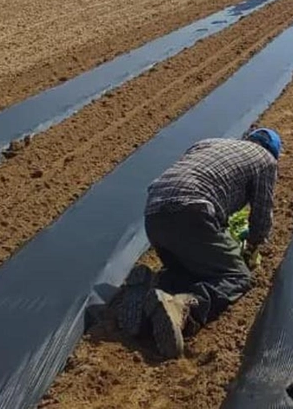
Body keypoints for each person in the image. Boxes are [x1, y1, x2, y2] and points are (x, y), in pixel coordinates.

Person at [114, 128, 281, 359]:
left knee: (191, 270)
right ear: (273, 151)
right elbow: (261, 216)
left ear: (248, 139)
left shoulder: (207, 141)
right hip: (193, 212)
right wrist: (252, 247)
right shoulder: (266, 160)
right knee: (237, 277)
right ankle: (185, 308)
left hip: (154, 214)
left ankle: (150, 294)